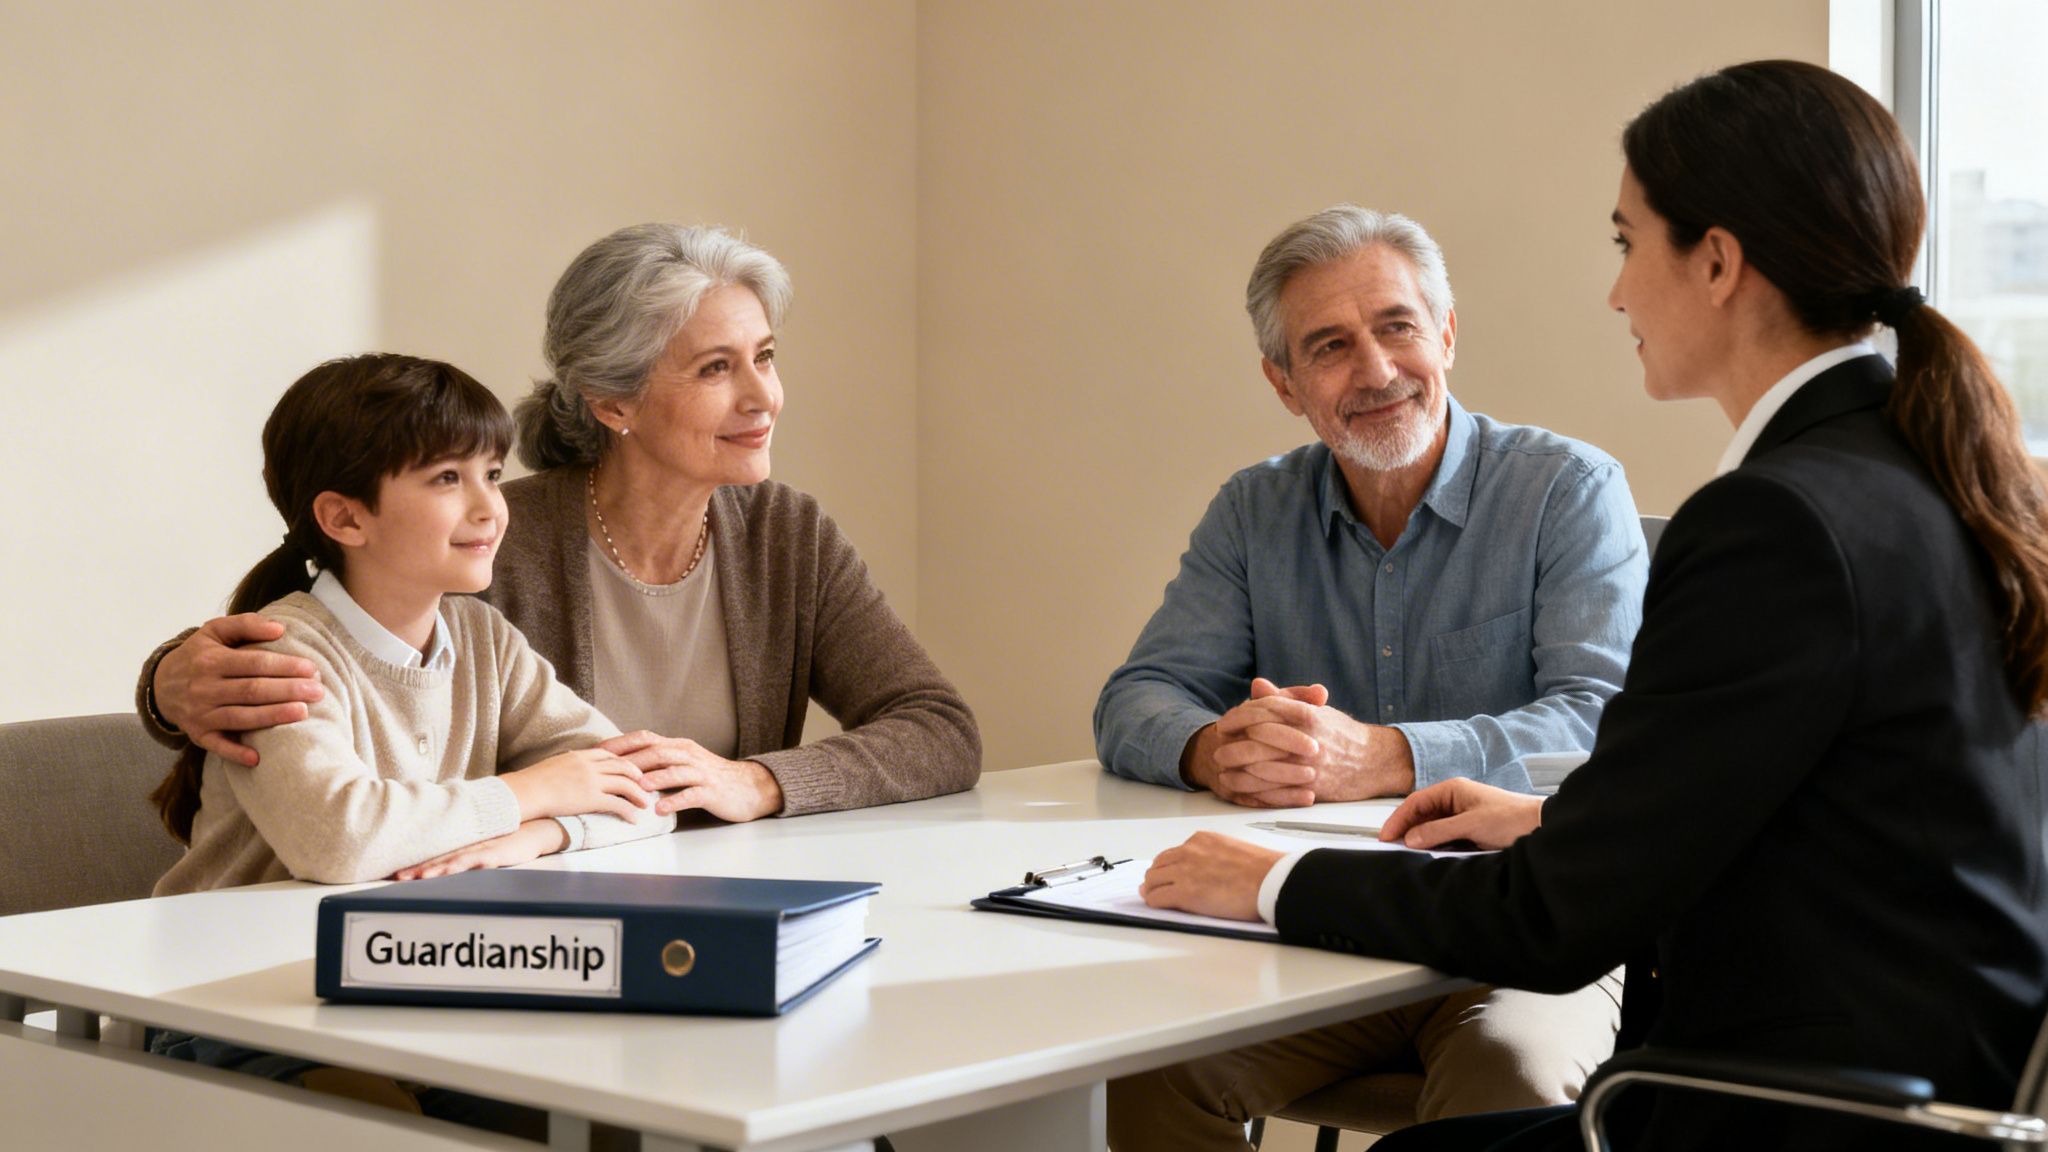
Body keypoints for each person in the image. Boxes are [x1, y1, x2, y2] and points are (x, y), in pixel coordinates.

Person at [1137, 60, 2048, 1151]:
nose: (1615, 291)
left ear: (1713, 260)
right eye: (1328, 344)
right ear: (1283, 379)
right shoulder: (1933, 477)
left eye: (1625, 242)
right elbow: (1819, 805)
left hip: (1781, 1117)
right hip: (1931, 1095)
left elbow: (1551, 924)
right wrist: (1560, 820)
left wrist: (1277, 880)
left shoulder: (1772, 523)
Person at [1098, 207, 1647, 1147]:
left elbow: (1603, 727)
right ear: (1284, 383)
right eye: (1329, 346)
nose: (1377, 370)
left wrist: (1391, 756)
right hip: (1314, 926)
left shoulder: (1568, 489)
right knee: (1150, 1073)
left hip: (1520, 932)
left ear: (1446, 333)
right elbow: (1135, 698)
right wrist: (1209, 749)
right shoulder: (1253, 511)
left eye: (1397, 326)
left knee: (1508, 1075)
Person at [141, 224, 980, 824]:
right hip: (516, 926)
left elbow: (938, 730)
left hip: (700, 895)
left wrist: (757, 782)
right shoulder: (493, 540)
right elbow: (321, 608)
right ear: (613, 402)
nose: (763, 398)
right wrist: (167, 686)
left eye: (764, 356)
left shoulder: (785, 536)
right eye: (716, 368)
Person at [148, 353, 671, 1128]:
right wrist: (534, 791)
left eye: (492, 474)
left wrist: (535, 836)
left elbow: (645, 788)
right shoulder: (279, 656)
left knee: (632, 1098)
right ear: (345, 517)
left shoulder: (483, 638)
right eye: (446, 479)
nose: (491, 508)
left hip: (406, 989)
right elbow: (342, 838)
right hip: (239, 1005)